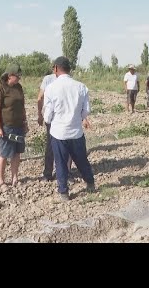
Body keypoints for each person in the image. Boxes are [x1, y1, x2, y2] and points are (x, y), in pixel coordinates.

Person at [43, 56, 95, 201]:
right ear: (69, 69)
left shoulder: (51, 88)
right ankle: (90, 183)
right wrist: (77, 118)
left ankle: (64, 192)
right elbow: (86, 111)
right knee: (82, 160)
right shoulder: (81, 87)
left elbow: (47, 116)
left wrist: (52, 120)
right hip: (76, 132)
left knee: (60, 163)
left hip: (59, 133)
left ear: (55, 69)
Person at [0, 63, 28, 191]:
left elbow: (22, 106)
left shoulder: (18, 88)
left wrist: (25, 122)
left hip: (18, 125)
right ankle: (1, 180)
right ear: (10, 75)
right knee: (4, 153)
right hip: (6, 127)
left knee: (17, 153)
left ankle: (15, 178)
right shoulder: (0, 89)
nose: (19, 78)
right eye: (17, 76)